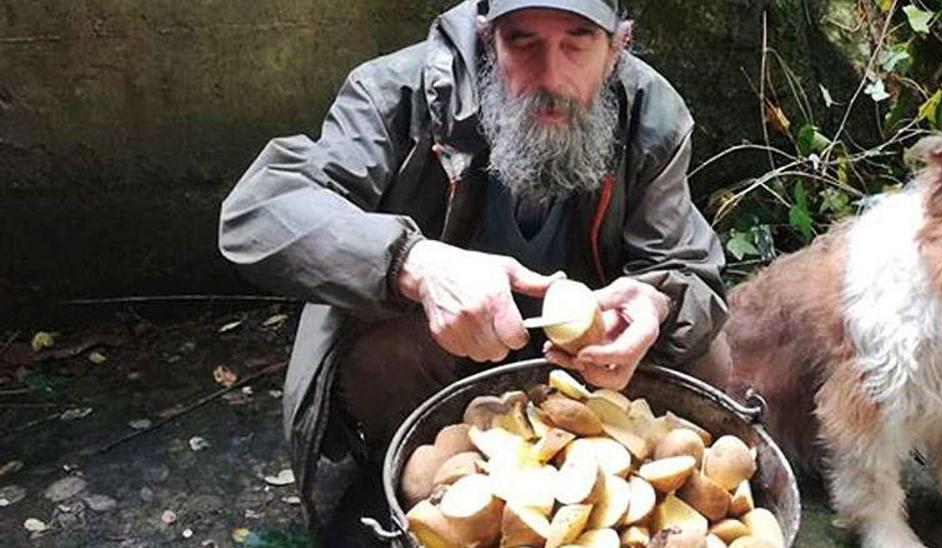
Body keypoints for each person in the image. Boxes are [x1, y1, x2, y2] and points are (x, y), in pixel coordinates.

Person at [217, 0, 729, 542]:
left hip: (585, 361)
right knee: (382, 361)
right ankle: (417, 487)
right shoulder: (396, 92)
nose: (550, 77)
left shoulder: (651, 111)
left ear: (616, 49)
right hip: (442, 353)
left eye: (577, 42)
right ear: (487, 41)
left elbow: (686, 266)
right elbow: (257, 210)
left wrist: (654, 301)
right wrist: (415, 264)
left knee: (706, 352)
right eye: (522, 42)